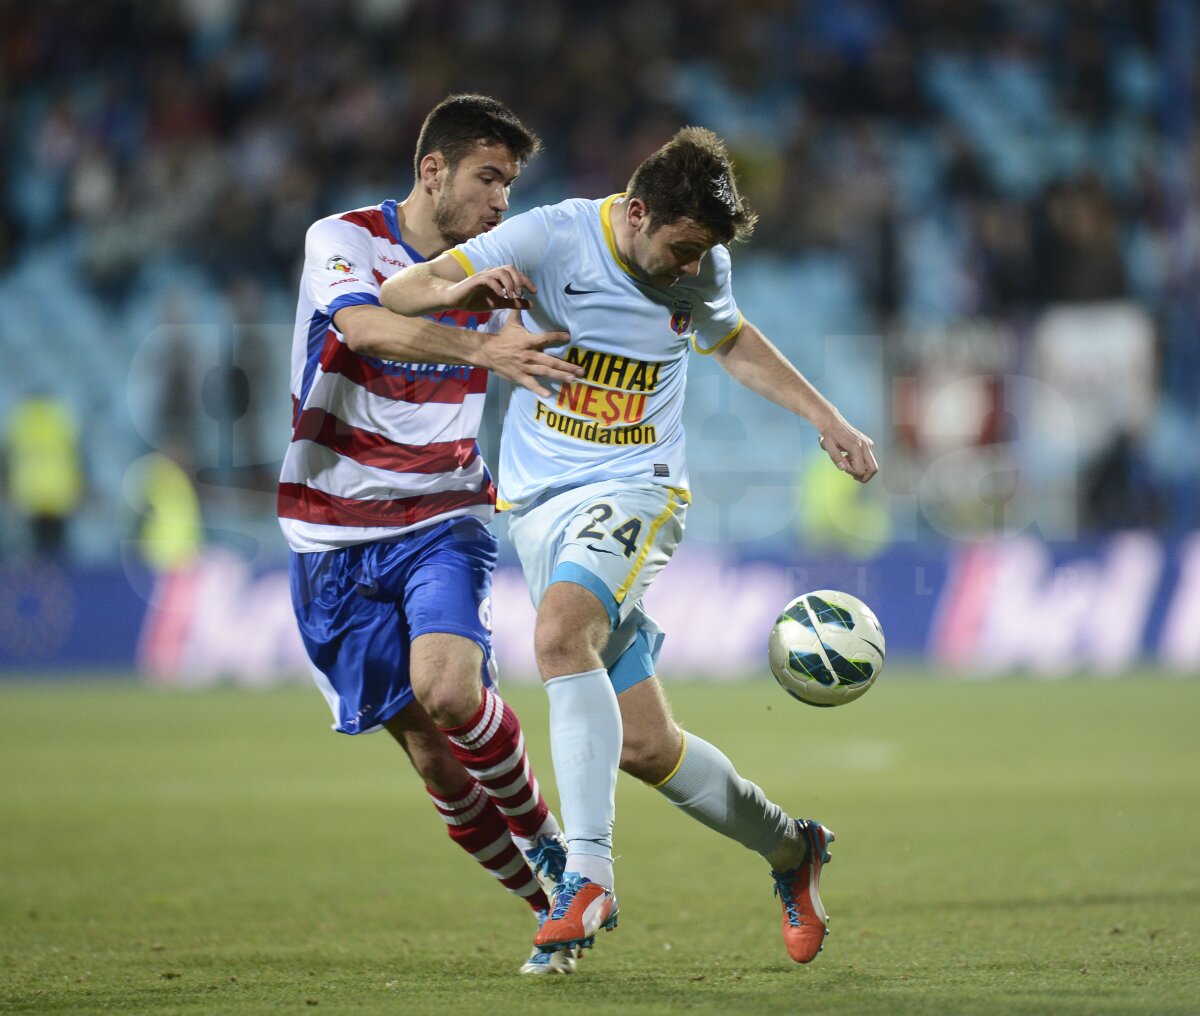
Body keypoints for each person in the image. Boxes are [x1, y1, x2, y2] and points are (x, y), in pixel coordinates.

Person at [380, 126, 879, 965]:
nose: (693, 270)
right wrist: (464, 295)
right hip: (538, 504)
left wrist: (826, 418)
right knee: (647, 746)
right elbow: (400, 294)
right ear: (638, 212)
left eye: (705, 255)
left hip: (638, 489)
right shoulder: (548, 238)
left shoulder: (701, 266)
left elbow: (732, 340)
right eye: (683, 248)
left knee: (557, 637)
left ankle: (587, 874)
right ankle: (796, 850)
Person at [277, 94, 586, 976]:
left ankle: (560, 860)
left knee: (450, 693)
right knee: (434, 762)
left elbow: (546, 337)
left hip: (443, 513)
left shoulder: (503, 264)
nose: (501, 202)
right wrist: (478, 341)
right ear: (432, 171)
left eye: (511, 185)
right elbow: (365, 326)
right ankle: (551, 912)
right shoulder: (340, 240)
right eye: (490, 179)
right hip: (329, 533)